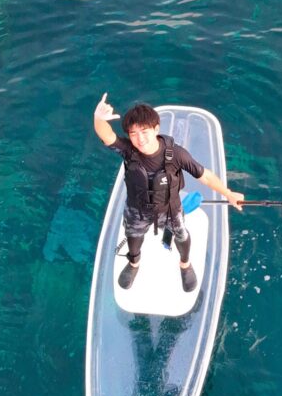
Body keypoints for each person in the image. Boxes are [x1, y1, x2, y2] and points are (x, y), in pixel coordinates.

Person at [93, 93, 244, 292]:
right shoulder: (128, 150)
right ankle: (134, 263)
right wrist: (99, 118)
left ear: (156, 129)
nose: (140, 138)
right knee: (133, 237)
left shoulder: (176, 154)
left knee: (181, 235)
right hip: (137, 209)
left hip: (170, 208)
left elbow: (205, 176)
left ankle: (185, 264)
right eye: (133, 133)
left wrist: (229, 193)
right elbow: (107, 135)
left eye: (144, 131)